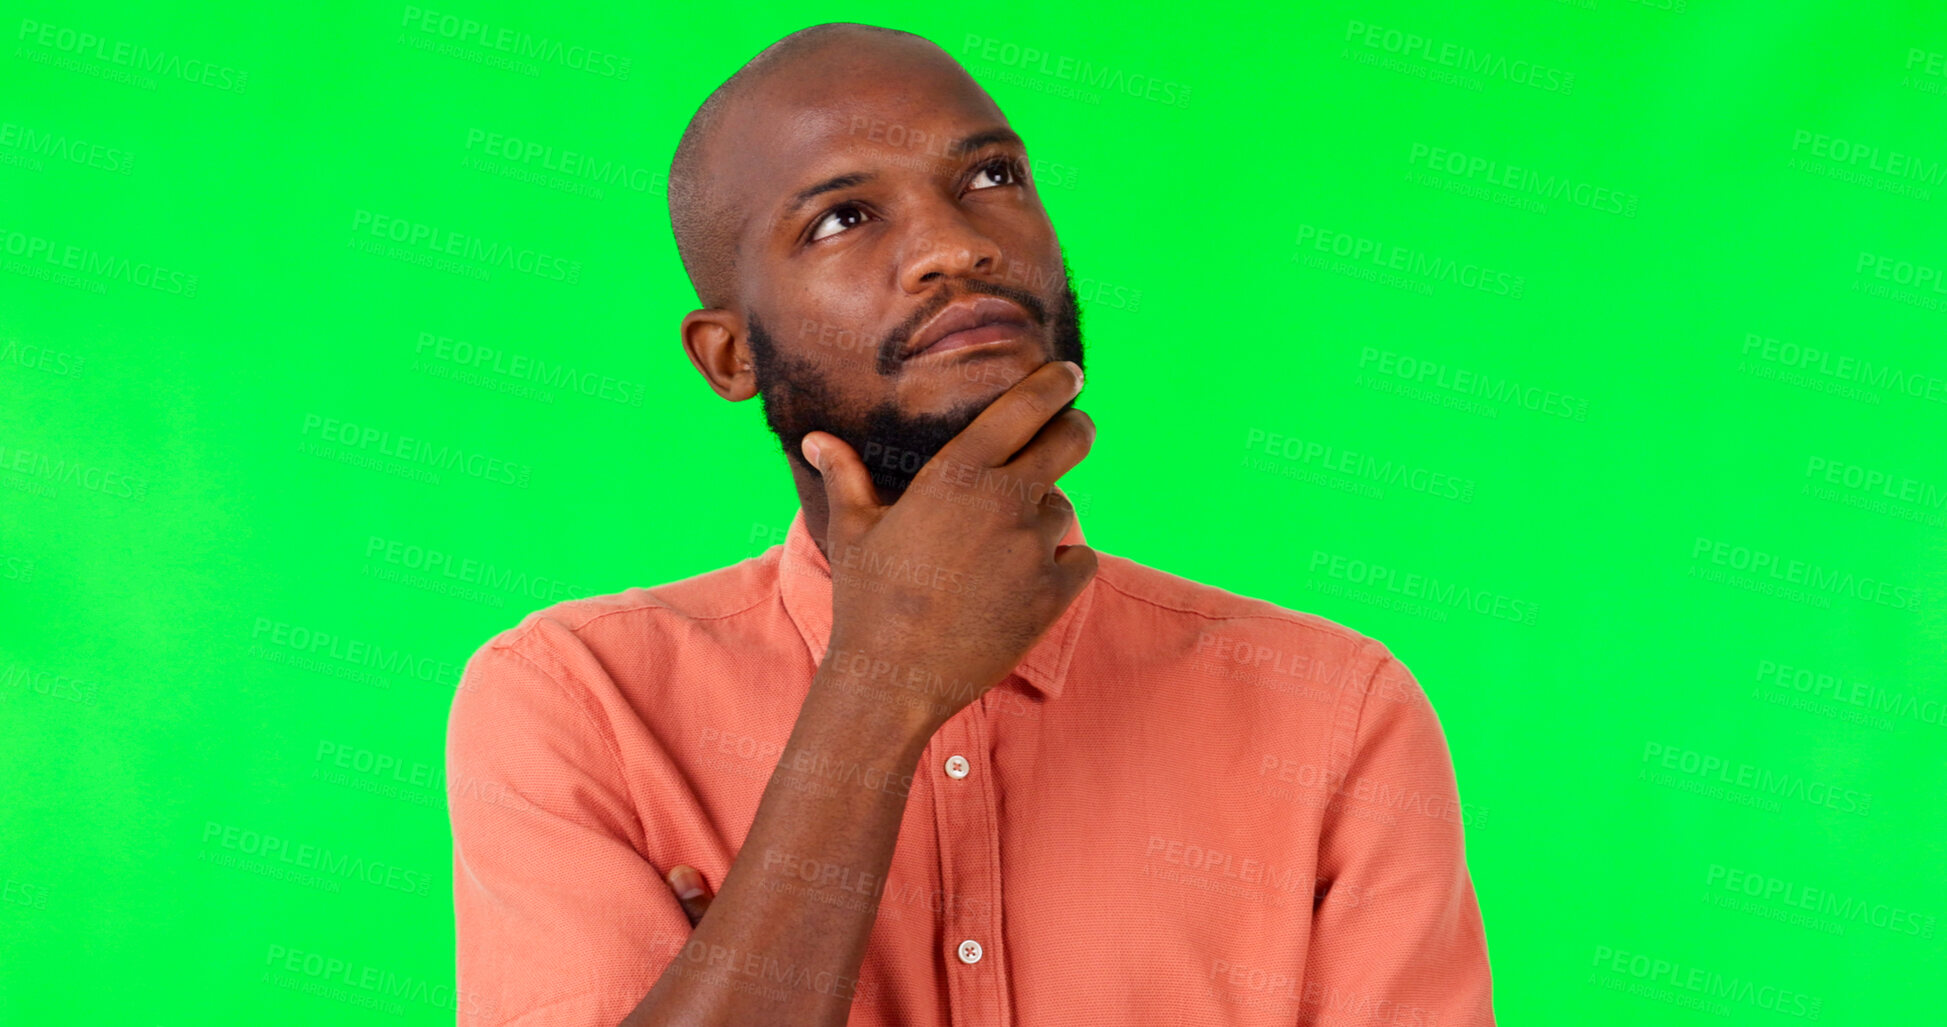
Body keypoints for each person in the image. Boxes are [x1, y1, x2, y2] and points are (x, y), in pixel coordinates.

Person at [446, 21, 1494, 1027]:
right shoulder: (578, 705)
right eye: (843, 219)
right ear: (732, 356)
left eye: (991, 178)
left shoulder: (1333, 715)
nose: (956, 248)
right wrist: (880, 684)